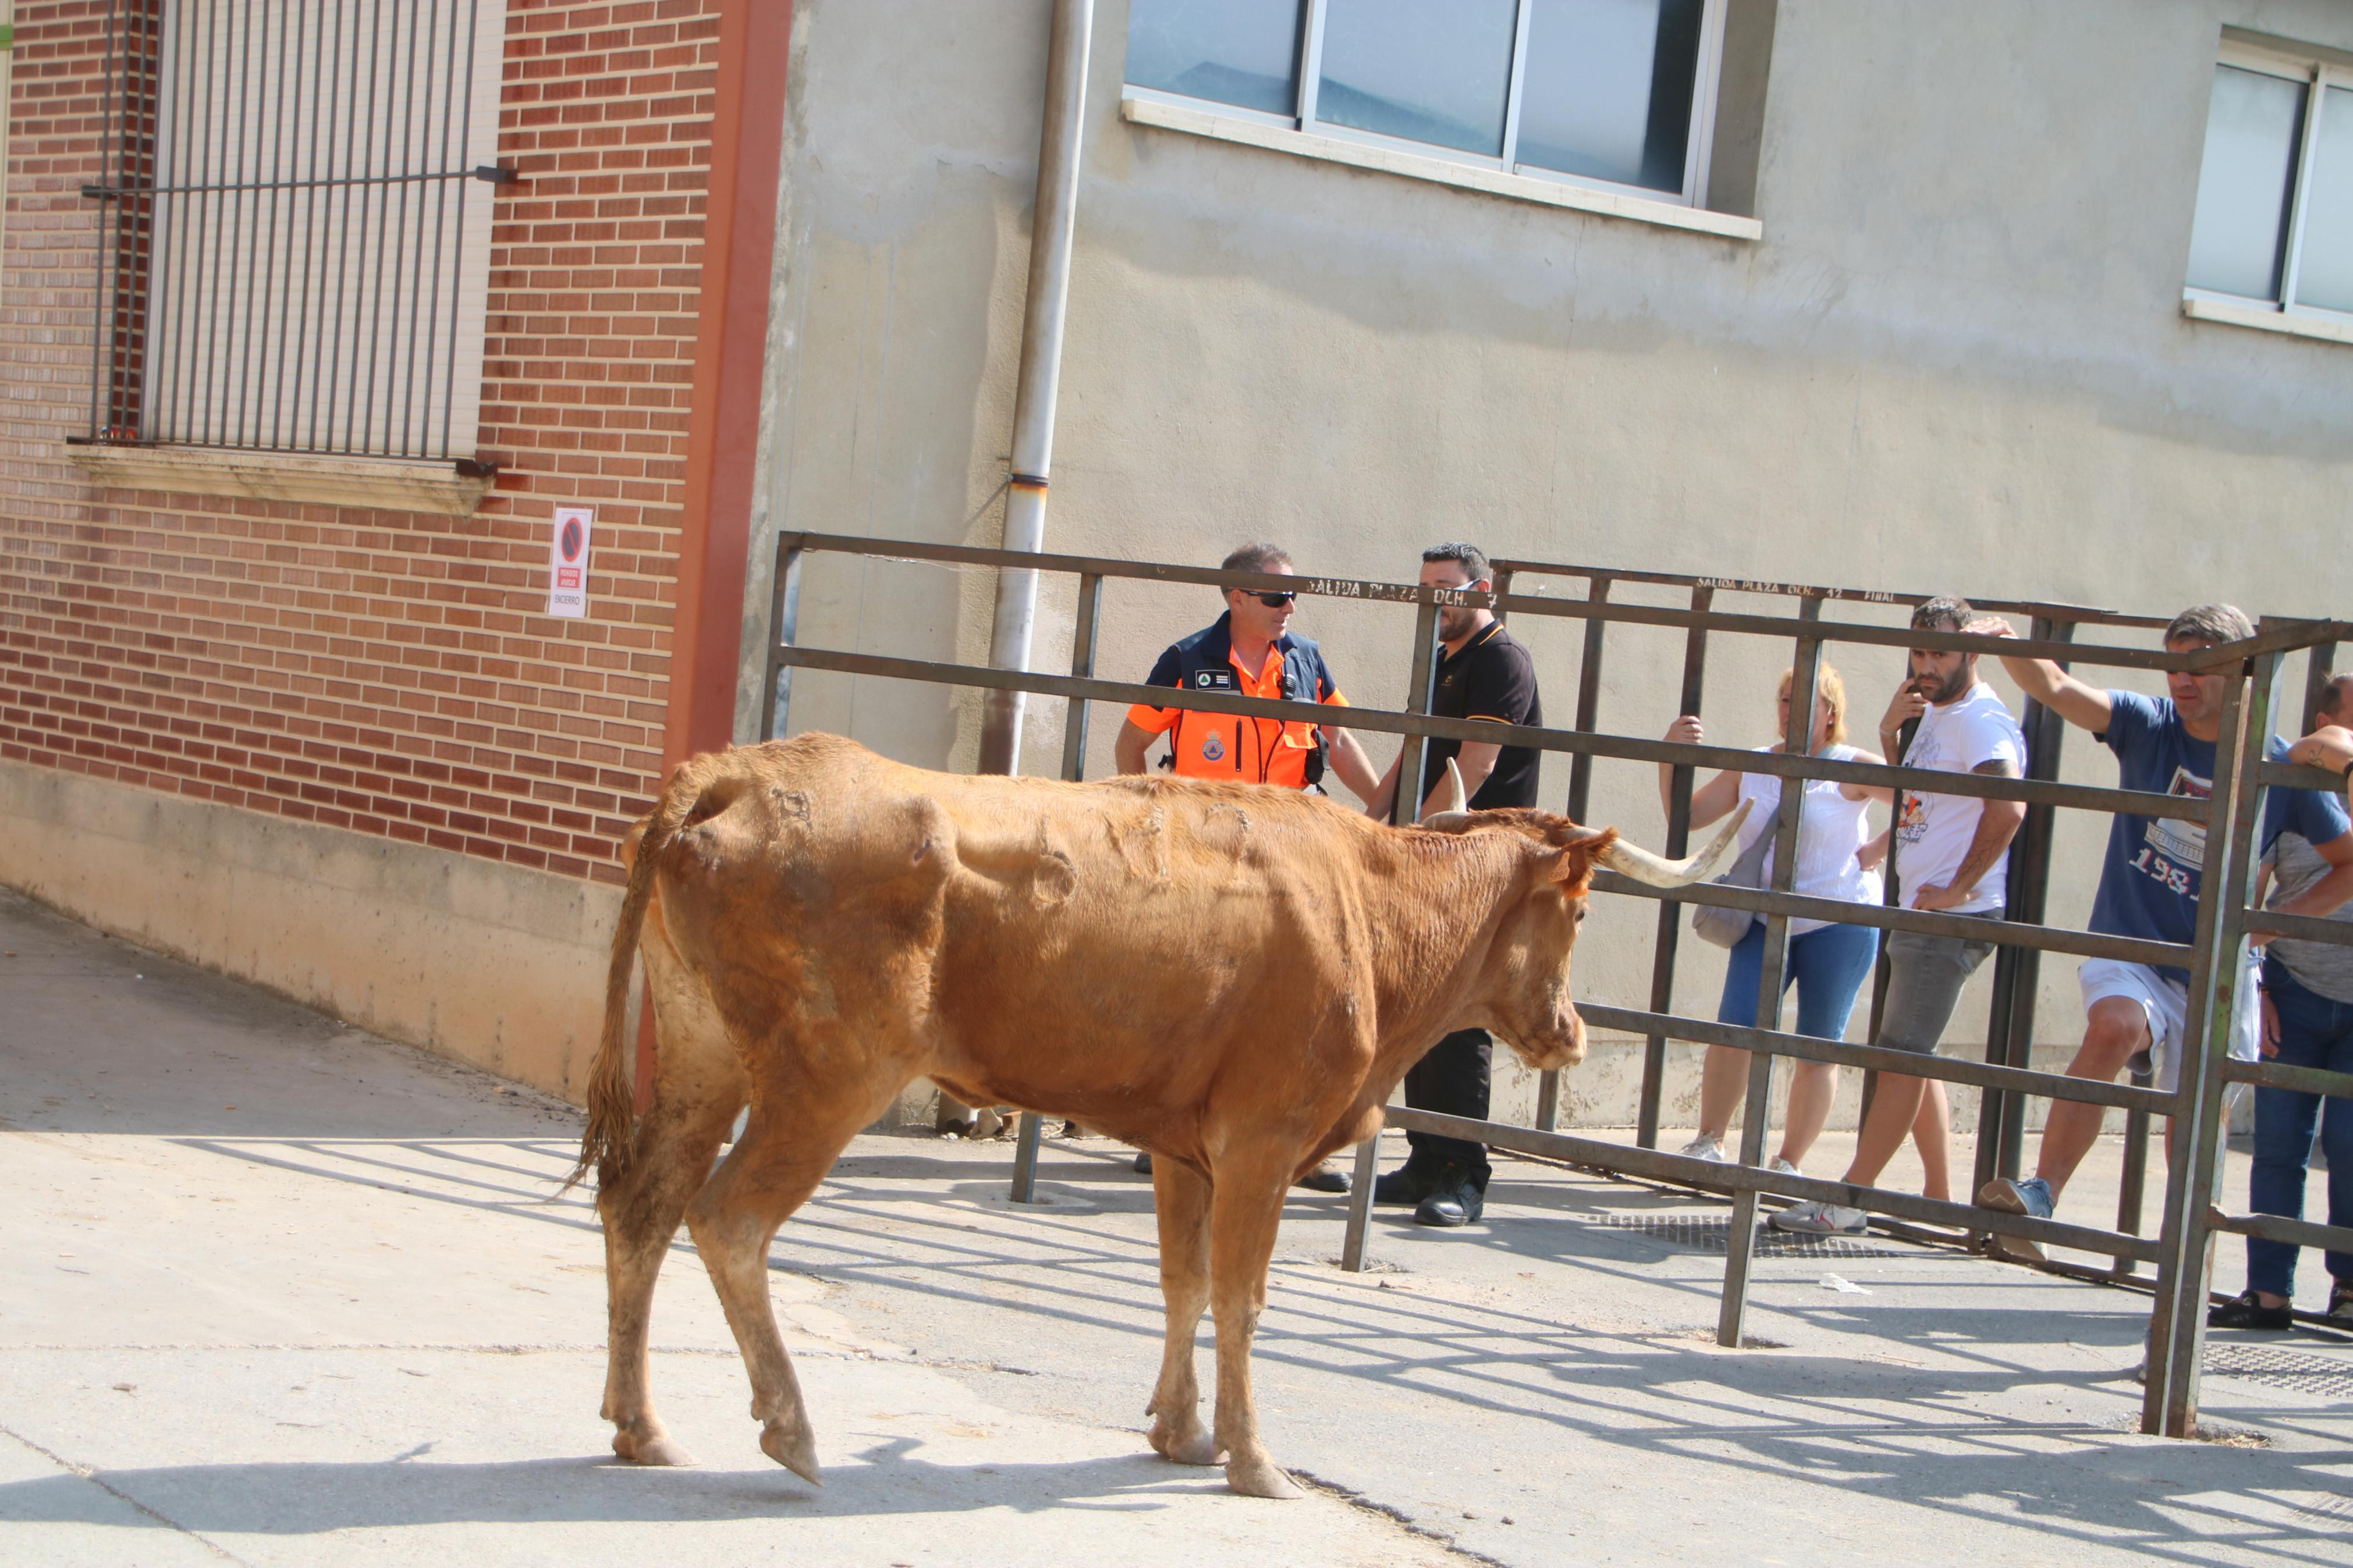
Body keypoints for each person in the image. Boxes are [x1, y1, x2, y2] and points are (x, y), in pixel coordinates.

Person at [1976, 606, 2353, 1262]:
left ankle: (2182, 1250)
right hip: (2135, 949)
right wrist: (2007, 642)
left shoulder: (2271, 763)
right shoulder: (2147, 725)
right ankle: (2040, 1193)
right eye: (2174, 662)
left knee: (2196, 1113)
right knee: (2114, 1026)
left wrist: (2265, 927)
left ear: (2238, 670)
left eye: (2200, 663)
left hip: (2216, 970)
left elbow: (2347, 858)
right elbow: (2058, 689)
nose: (2182, 678)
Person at [1113, 542, 1382, 1191]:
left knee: (1291, 999)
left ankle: (1293, 1140)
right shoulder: (1185, 659)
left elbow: (1338, 739)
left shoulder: (1307, 660)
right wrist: (1155, 822)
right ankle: (1169, 1136)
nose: (1287, 606)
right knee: (1192, 995)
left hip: (1289, 854)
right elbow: (1131, 743)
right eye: (1273, 596)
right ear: (1235, 597)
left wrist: (1380, 813)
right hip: (1207, 850)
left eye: (1294, 595)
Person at [1774, 600, 2027, 1233]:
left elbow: (2010, 805)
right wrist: (1890, 734)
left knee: (1901, 1054)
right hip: (1915, 906)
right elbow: (1914, 801)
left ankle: (1851, 1199)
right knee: (1912, 1051)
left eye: (1939, 653)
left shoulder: (1977, 718)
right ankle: (1939, 1199)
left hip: (1946, 916)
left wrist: (1957, 888)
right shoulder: (1932, 713)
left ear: (1970, 651)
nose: (1926, 665)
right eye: (1917, 653)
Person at [1362, 542, 1543, 1227]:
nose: (1436, 599)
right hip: (1431, 855)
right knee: (1420, 1005)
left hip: (1475, 858)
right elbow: (1415, 747)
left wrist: (1421, 836)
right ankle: (1422, 1158)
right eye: (1426, 588)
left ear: (1482, 587)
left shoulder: (1500, 658)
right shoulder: (1440, 658)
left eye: (1447, 586)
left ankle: (1463, 1174)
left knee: (1461, 1014)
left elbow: (1478, 760)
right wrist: (1369, 822)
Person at [1663, 664, 1891, 1178]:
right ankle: (1708, 1141)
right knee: (1735, 1029)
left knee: (1816, 1044)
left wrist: (1875, 849)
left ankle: (1787, 1163)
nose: (1789, 708)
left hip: (1839, 920)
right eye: (1784, 698)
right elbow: (1688, 816)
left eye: (1803, 699)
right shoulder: (1754, 764)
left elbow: (1920, 805)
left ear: (1830, 711)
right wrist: (1671, 755)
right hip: (1764, 918)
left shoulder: (1851, 766)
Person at [2213, 673, 2353, 1328]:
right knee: (2277, 1148)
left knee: (2350, 1148)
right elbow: (2250, 887)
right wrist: (2257, 980)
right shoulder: (2296, 794)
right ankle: (2267, 1294)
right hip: (2292, 989)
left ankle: (2349, 1288)